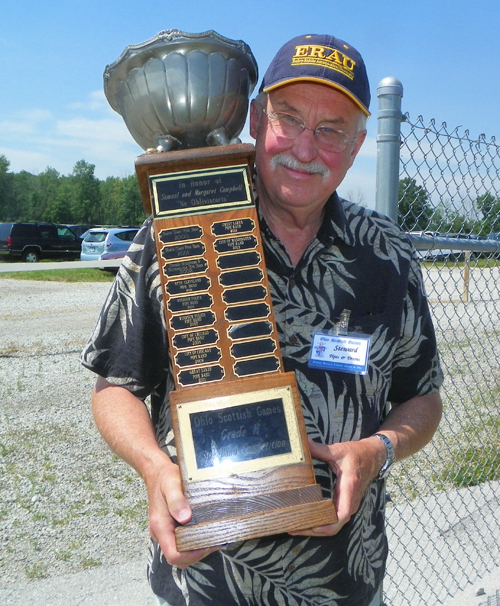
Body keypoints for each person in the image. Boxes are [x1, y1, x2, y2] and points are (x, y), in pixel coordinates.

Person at [82, 33, 443, 606]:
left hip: (346, 581)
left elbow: (422, 398)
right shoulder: (172, 235)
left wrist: (380, 449)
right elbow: (114, 386)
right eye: (289, 118)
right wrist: (153, 467)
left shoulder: (388, 255)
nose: (304, 148)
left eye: (330, 131)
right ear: (254, 118)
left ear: (355, 148)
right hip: (206, 581)